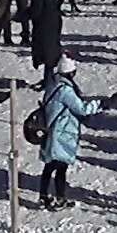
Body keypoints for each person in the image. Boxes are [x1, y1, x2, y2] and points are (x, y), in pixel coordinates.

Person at [33, 63, 89, 208]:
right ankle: (60, 198)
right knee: (61, 167)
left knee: (50, 166)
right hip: (62, 133)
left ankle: (43, 196)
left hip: (52, 132)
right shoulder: (66, 91)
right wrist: (103, 104)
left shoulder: (53, 86)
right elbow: (82, 109)